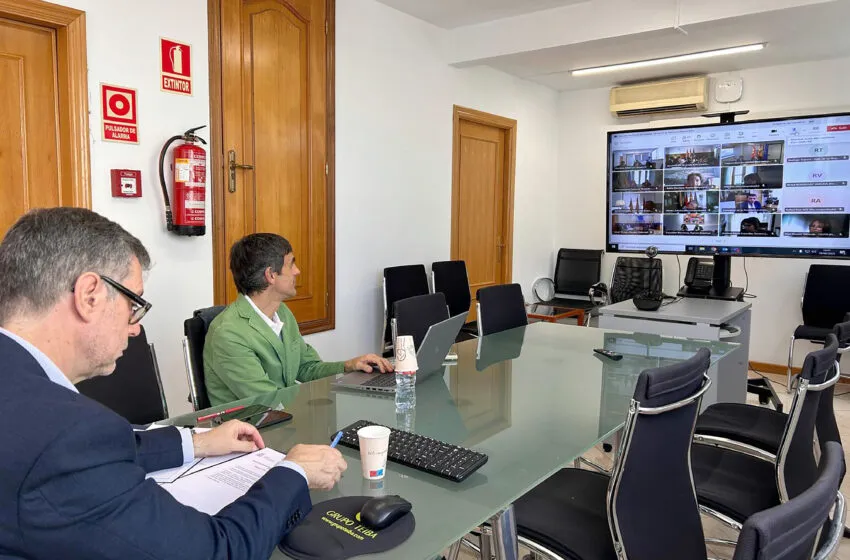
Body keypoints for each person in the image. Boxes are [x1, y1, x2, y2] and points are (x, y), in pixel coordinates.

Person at [0, 208, 347, 559]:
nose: (135, 327)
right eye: (134, 304)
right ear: (90, 295)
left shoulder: (25, 397)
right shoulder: (67, 435)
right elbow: (216, 551)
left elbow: (109, 448)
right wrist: (293, 472)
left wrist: (196, 442)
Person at [204, 233, 393, 405]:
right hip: (252, 434)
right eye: (291, 264)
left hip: (286, 420)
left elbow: (307, 368)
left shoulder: (282, 311)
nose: (297, 271)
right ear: (271, 275)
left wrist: (349, 365)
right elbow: (268, 401)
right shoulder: (228, 333)